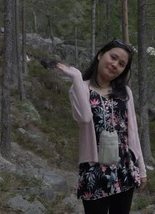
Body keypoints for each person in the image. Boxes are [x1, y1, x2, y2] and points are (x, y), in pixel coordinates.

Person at [55, 38, 147, 214]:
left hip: (124, 166)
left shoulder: (125, 92)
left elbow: (132, 133)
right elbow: (84, 117)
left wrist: (141, 169)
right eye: (113, 57)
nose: (114, 65)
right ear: (100, 55)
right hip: (93, 169)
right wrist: (76, 78)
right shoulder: (80, 87)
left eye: (121, 64)